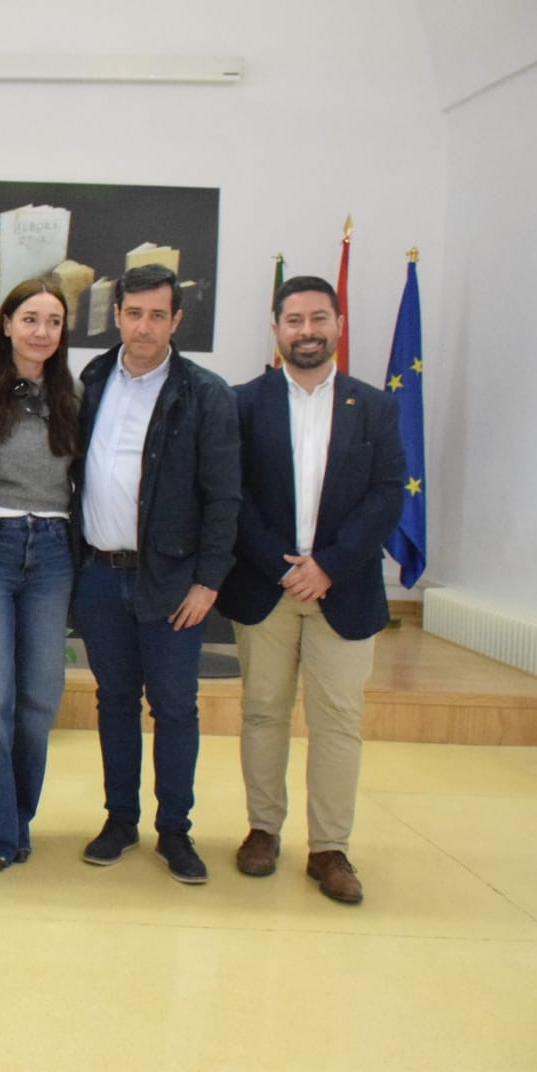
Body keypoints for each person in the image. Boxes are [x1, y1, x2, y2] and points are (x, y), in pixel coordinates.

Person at [218, 275, 404, 904]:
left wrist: (327, 565)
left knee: (338, 722)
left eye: (318, 319)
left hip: (343, 590)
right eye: (293, 320)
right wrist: (283, 564)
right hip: (267, 588)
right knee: (264, 711)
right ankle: (263, 830)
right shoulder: (242, 403)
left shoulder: (374, 406)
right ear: (276, 329)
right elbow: (232, 495)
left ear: (338, 326)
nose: (306, 331)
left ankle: (329, 848)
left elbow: (386, 496)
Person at [73, 263, 240, 884]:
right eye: (133, 313)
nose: (144, 327)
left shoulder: (205, 393)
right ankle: (120, 820)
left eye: (157, 315)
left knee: (173, 706)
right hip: (97, 574)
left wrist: (208, 582)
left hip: (173, 583)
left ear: (177, 320)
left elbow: (225, 499)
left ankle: (175, 830)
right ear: (117, 315)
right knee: (114, 701)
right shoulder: (91, 379)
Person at [0, 279, 80, 872]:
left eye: (53, 322)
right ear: (6, 324)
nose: (41, 332)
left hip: (52, 551)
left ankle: (16, 817)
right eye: (30, 319)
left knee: (38, 697)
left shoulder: (75, 395)